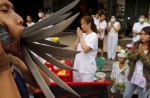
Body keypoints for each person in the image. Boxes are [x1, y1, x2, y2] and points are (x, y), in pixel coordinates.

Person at [0, 0, 49, 98]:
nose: (20, 19)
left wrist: (21, 54)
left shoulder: (12, 59)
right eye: (4, 10)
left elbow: (44, 83)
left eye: (13, 10)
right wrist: (3, 71)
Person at [123, 26, 150, 98]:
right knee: (126, 95)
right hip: (133, 75)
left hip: (146, 79)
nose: (142, 36)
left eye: (145, 34)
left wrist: (141, 54)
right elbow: (129, 57)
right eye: (141, 34)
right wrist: (138, 54)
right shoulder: (137, 44)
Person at [73, 15, 98, 82]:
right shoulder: (83, 35)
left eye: (83, 24)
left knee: (86, 90)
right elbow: (75, 48)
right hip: (78, 66)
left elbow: (86, 49)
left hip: (87, 70)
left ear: (89, 24)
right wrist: (79, 37)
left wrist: (81, 37)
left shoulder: (94, 36)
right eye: (81, 24)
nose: (81, 26)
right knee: (77, 88)